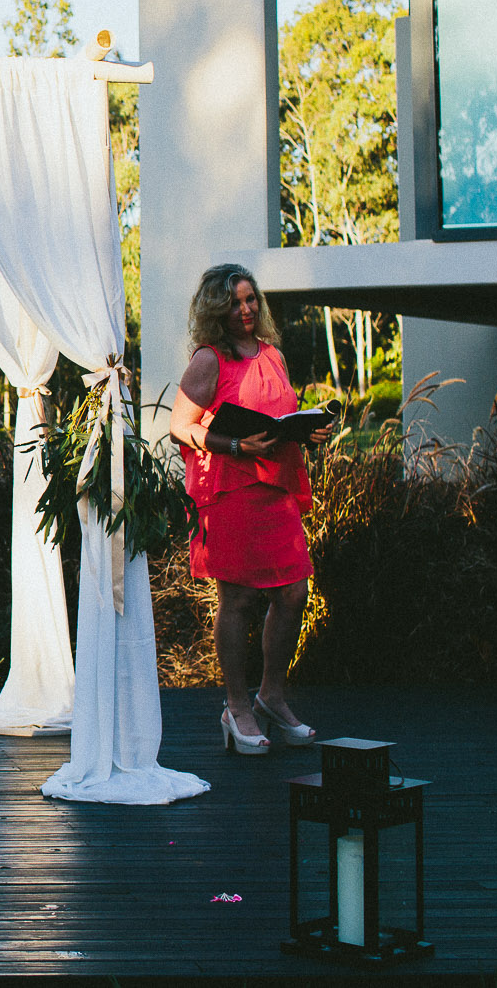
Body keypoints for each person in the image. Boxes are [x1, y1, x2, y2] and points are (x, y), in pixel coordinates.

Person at [168, 263, 333, 756]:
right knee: (237, 601)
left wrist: (310, 428)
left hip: (276, 489)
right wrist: (234, 444)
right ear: (217, 309)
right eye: (235, 302)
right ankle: (236, 705)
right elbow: (180, 425)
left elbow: (281, 411)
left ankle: (271, 695)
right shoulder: (208, 360)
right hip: (234, 492)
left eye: (251, 299)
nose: (246, 310)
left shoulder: (274, 355)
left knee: (294, 594)